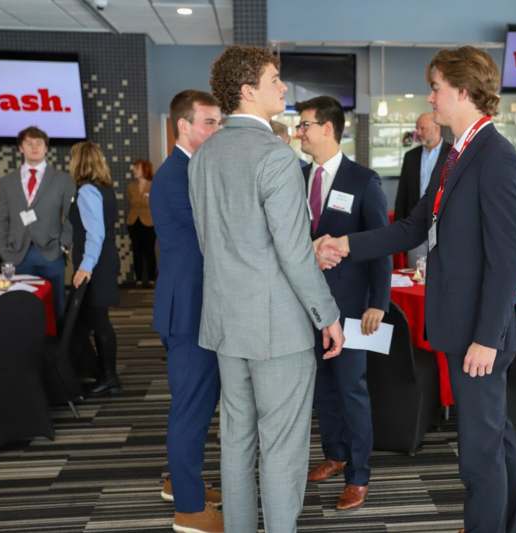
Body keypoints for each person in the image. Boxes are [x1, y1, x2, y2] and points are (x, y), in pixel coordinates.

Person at [317, 45, 516, 533]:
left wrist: (485, 337)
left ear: (463, 90)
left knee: (479, 451)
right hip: (466, 325)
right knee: (496, 438)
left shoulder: (495, 156)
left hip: (481, 332)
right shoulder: (458, 152)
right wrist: (346, 244)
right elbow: (412, 228)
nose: (430, 98)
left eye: (435, 88)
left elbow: (508, 259)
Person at [188, 45, 345, 533]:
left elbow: (212, 240)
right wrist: (329, 314)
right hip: (277, 328)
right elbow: (293, 255)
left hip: (224, 321)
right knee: (281, 447)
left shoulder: (204, 153)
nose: (284, 88)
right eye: (275, 79)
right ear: (248, 90)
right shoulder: (275, 157)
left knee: (236, 441)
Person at [296, 95, 391, 510]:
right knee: (323, 389)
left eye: (305, 125)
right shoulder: (295, 177)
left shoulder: (362, 180)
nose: (300, 132)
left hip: (355, 307)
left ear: (328, 129)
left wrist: (379, 302)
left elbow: (381, 246)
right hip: (306, 307)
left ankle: (359, 474)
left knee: (352, 389)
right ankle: (334, 454)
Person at [150, 90, 224, 533]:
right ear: (184, 126)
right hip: (189, 310)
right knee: (191, 408)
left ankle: (183, 484)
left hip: (196, 305)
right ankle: (191, 512)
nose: (217, 131)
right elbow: (209, 240)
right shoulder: (175, 176)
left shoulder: (190, 169)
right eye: (210, 123)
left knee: (195, 404)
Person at [0, 126, 75, 317]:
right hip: (17, 256)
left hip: (51, 254)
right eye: (29, 143)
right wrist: (3, 251)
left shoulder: (63, 180)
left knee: (56, 310)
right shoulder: (7, 181)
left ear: (46, 148)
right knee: (20, 310)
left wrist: (63, 245)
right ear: (20, 148)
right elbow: (1, 219)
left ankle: (58, 347)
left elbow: (72, 216)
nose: (34, 147)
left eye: (39, 143)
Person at [67, 141, 121, 397]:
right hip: (105, 260)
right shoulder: (105, 189)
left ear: (79, 162)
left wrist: (85, 267)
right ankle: (103, 373)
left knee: (99, 322)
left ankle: (109, 377)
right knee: (95, 320)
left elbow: (95, 234)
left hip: (95, 266)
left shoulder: (87, 190)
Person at [394, 112, 452, 264]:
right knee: (416, 275)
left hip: (445, 230)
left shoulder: (453, 155)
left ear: (436, 127)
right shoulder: (410, 156)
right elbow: (402, 196)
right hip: (415, 229)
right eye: (417, 128)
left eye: (422, 128)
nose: (417, 133)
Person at [126, 159, 156, 287]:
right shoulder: (130, 186)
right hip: (133, 222)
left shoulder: (154, 185)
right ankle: (138, 279)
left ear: (145, 170)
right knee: (136, 251)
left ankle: (151, 279)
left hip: (149, 223)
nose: (134, 170)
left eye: (136, 168)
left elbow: (155, 204)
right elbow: (132, 202)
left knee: (149, 251)